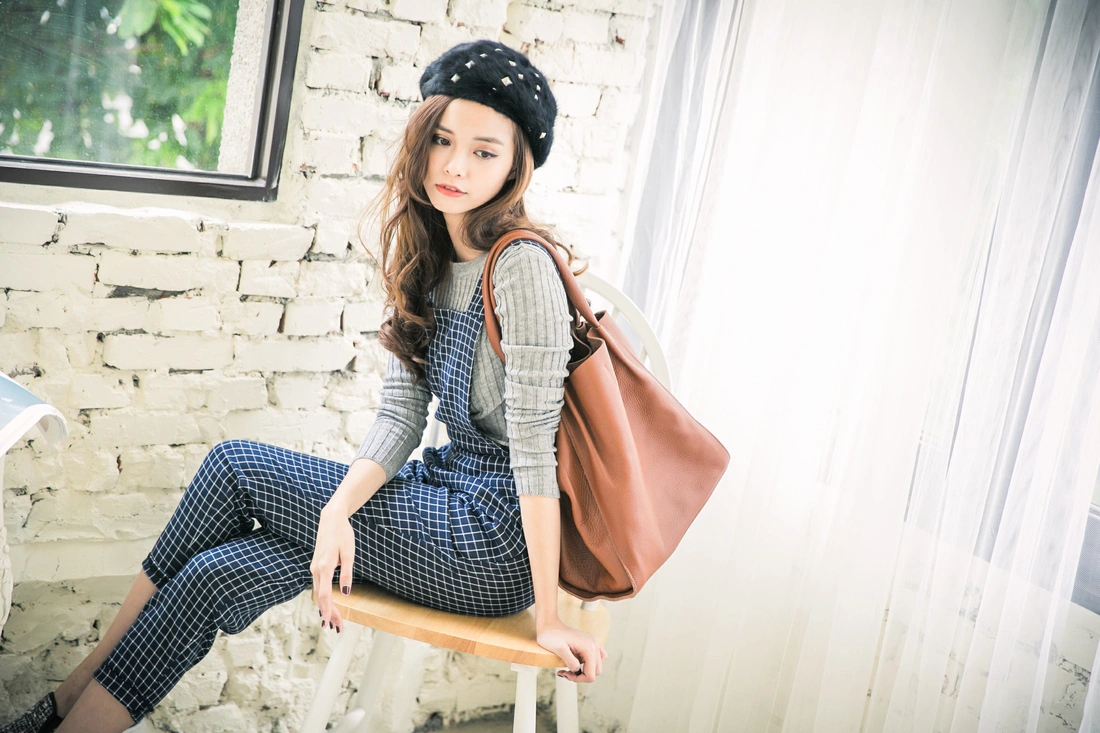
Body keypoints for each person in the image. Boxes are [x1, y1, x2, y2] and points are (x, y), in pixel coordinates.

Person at [1, 39, 607, 733]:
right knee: (213, 575)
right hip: (439, 500)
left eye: (484, 152)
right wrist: (337, 510)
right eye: (442, 140)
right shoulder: (431, 257)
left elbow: (533, 448)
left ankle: (75, 687)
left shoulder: (521, 264)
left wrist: (550, 616)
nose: (455, 165)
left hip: (493, 542)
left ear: (515, 168)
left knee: (233, 467)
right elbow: (400, 417)